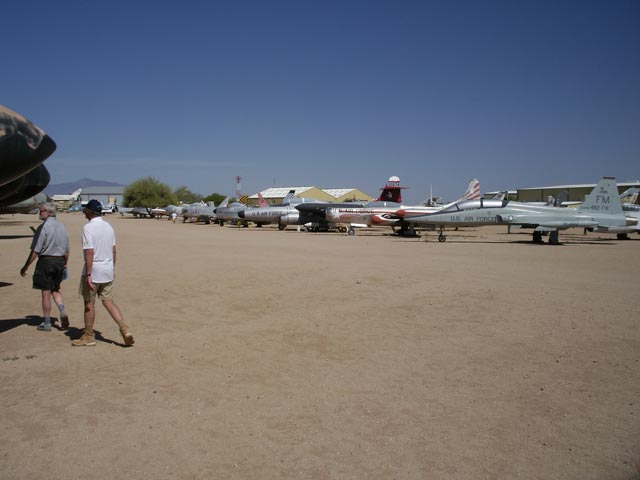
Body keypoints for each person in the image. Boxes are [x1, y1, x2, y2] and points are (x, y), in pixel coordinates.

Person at [72, 199, 135, 347]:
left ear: (89, 212)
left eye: (85, 210)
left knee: (89, 303)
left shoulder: (88, 228)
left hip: (94, 271)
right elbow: (113, 250)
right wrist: (112, 269)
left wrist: (88, 274)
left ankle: (88, 335)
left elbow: (89, 252)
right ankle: (124, 329)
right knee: (108, 301)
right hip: (107, 269)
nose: (84, 213)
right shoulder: (109, 227)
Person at [20, 202, 70, 331]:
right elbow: (66, 250)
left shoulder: (43, 227)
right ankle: (62, 310)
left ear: (48, 212)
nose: (39, 212)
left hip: (46, 261)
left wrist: (25, 267)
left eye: (41, 210)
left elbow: (35, 250)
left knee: (45, 292)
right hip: (60, 261)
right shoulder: (62, 227)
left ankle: (47, 322)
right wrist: (64, 264)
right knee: (56, 289)